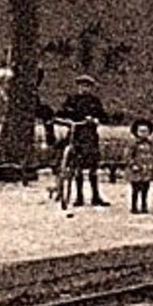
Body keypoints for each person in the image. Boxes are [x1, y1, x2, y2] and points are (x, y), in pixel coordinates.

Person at [58, 74, 110, 207]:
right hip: (76, 134)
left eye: (87, 86)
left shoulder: (94, 101)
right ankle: (79, 196)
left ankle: (95, 195)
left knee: (93, 166)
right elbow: (62, 113)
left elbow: (103, 116)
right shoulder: (72, 100)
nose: (84, 89)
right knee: (77, 166)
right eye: (81, 86)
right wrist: (66, 120)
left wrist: (96, 120)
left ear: (91, 88)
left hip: (90, 135)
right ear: (77, 87)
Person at [127, 118, 153, 214]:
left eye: (146, 131)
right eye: (141, 131)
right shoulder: (133, 144)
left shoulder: (151, 144)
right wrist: (133, 164)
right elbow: (128, 156)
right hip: (137, 169)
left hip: (147, 169)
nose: (143, 133)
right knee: (136, 189)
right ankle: (134, 206)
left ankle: (144, 205)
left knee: (146, 188)